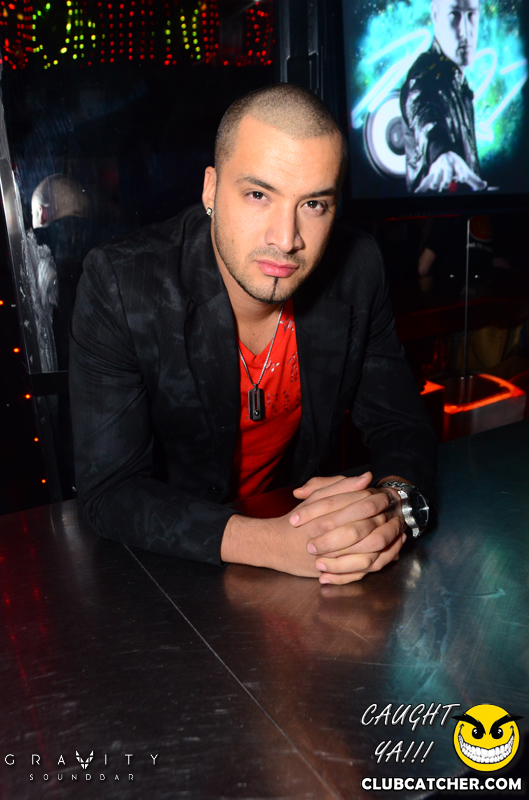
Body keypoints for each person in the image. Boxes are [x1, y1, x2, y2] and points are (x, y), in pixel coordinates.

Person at [69, 84, 437, 586]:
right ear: (210, 190)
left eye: (313, 204)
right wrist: (271, 543)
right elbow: (110, 489)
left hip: (300, 559)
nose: (285, 239)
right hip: (161, 571)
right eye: (259, 195)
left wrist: (390, 507)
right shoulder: (123, 283)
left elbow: (401, 424)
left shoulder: (356, 268)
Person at [400, 0, 487, 193]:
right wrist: (441, 152)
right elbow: (423, 110)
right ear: (436, 15)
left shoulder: (457, 80)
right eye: (454, 15)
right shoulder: (424, 76)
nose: (465, 31)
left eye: (471, 15)